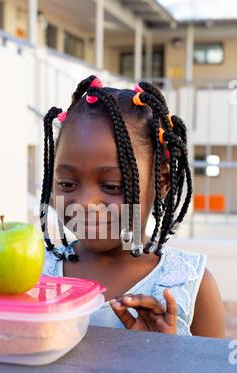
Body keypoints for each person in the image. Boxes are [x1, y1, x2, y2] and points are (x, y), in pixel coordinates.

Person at [40, 75, 225, 337]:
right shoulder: (36, 276)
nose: (85, 203)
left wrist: (166, 351)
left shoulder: (190, 286)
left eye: (112, 186)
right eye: (67, 184)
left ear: (161, 182)